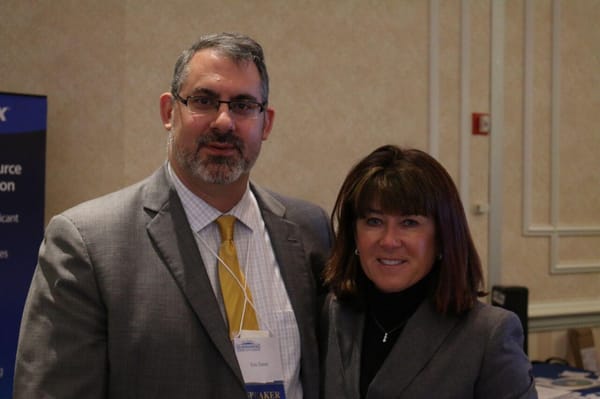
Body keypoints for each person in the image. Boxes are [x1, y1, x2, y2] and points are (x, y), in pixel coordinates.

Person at [13, 32, 331, 399]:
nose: (224, 122)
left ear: (267, 122)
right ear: (169, 112)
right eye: (204, 101)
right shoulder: (87, 244)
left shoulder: (310, 232)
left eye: (243, 105)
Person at [320, 145, 537, 399]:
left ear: (443, 237)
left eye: (409, 223)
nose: (389, 241)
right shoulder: (333, 313)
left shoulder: (489, 335)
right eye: (374, 221)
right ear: (354, 234)